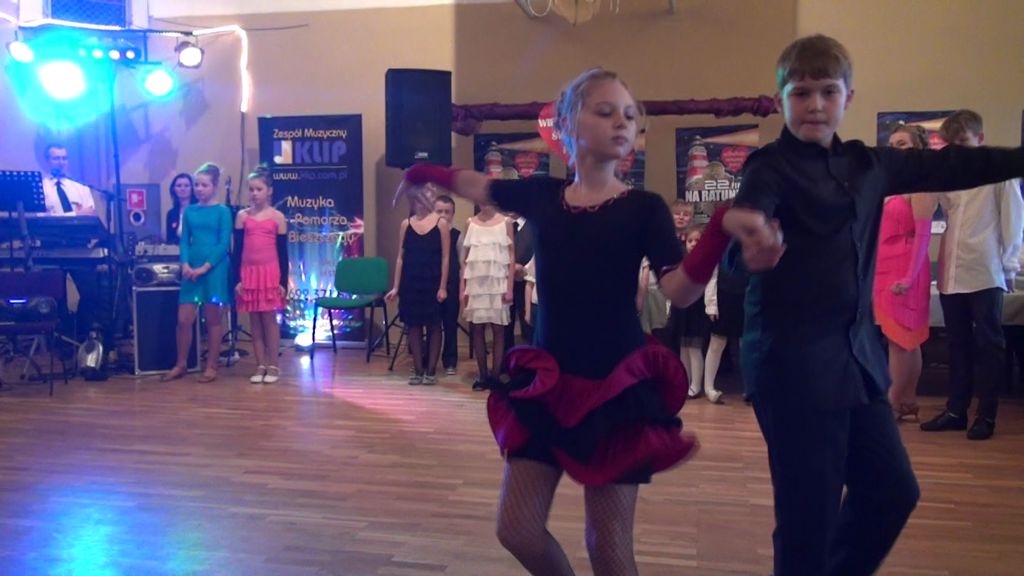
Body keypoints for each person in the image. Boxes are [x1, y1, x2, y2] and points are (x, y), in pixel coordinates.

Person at [395, 67, 740, 576]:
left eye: (629, 116)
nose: (621, 123)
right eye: (605, 111)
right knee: (517, 529)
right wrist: (421, 172)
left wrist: (719, 229)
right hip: (547, 385)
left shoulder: (644, 209)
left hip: (615, 391)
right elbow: (477, 184)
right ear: (565, 125)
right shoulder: (542, 195)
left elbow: (679, 290)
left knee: (607, 545)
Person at [725, 34, 1024, 576]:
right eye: (801, 93)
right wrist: (752, 245)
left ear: (849, 97)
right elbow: (743, 232)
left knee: (892, 491)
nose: (815, 104)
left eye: (828, 91)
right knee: (808, 521)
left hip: (857, 364)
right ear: (781, 99)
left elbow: (956, 166)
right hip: (792, 369)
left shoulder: (868, 164)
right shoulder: (768, 167)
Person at [920, 110, 1024, 440]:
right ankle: (956, 411)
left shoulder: (999, 175)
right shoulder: (949, 175)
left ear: (980, 139)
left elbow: (1014, 220)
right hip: (951, 270)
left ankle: (986, 415)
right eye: (952, 144)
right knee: (957, 344)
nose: (958, 150)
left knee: (989, 344)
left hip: (985, 268)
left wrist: (1009, 265)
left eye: (963, 142)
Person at [875, 124, 937, 421]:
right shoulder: (890, 184)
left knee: (903, 338)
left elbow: (923, 236)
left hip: (904, 268)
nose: (895, 149)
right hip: (883, 267)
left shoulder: (921, 184)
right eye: (892, 144)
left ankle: (894, 401)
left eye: (902, 144)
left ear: (918, 149)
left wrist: (910, 277)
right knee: (898, 339)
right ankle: (906, 400)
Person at [161, 162, 233, 383]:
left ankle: (211, 365)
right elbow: (184, 241)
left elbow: (223, 244)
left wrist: (205, 267)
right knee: (184, 319)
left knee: (212, 319)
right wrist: (185, 264)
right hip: (191, 268)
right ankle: (181, 363)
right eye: (197, 185)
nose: (199, 189)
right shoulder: (190, 211)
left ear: (214, 186)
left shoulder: (223, 212)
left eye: (204, 185)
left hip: (214, 269)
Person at [386, 187, 450, 386]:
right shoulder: (406, 224)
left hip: (432, 281)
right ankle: (418, 370)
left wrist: (443, 286)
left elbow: (446, 258)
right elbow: (400, 258)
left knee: (434, 326)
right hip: (411, 282)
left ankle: (431, 371)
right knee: (413, 325)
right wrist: (396, 287)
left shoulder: (441, 224)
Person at [233, 166, 288, 385]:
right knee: (254, 320)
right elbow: (237, 251)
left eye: (259, 189)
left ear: (269, 191)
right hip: (249, 273)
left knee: (269, 319)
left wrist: (282, 282)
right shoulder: (242, 217)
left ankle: (273, 364)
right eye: (251, 189)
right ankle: (260, 364)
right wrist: (237, 279)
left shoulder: (277, 217)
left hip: (269, 273)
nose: (254, 193)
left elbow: (283, 253)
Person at [461, 202, 513, 391]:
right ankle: (483, 375)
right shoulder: (470, 223)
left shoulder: (506, 222)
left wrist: (509, 287)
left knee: (498, 329)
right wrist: (463, 287)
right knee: (477, 328)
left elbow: (511, 255)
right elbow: (464, 259)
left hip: (498, 282)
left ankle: (495, 376)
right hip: (476, 283)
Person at [434, 194, 462, 376]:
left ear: (453, 214)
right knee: (432, 325)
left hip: (452, 285)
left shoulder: (458, 235)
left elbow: (462, 263)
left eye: (447, 211)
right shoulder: (428, 234)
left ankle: (450, 360)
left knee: (450, 324)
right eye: (439, 211)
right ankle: (428, 360)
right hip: (431, 283)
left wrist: (461, 289)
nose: (443, 215)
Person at [40, 144, 96, 217]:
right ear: (47, 161)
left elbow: (90, 213)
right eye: (56, 159)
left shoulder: (81, 188)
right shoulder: (41, 188)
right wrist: (75, 214)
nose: (61, 162)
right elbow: (40, 216)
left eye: (64, 158)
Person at [166, 173, 198, 245]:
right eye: (179, 186)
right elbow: (169, 239)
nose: (182, 189)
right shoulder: (171, 214)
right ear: (173, 189)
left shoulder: (200, 210)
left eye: (186, 186)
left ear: (192, 189)